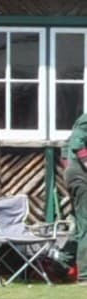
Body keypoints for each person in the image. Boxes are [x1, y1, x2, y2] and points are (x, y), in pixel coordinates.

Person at [66, 106, 87, 281]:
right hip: (81, 177)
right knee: (86, 223)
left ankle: (62, 265)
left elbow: (64, 149)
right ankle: (85, 275)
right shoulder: (85, 121)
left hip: (76, 175)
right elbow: (75, 144)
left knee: (79, 224)